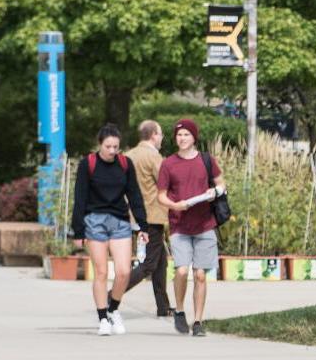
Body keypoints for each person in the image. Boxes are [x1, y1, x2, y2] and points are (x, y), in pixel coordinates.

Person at [71, 123, 149, 336]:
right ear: (100, 144)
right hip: (94, 222)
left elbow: (134, 195)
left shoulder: (125, 164)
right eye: (108, 147)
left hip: (120, 222)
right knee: (102, 272)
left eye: (116, 146)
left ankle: (114, 309)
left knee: (124, 272)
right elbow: (80, 198)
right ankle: (103, 318)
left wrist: (143, 225)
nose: (113, 151)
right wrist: (78, 231)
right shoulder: (88, 164)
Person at [156, 119, 226, 337]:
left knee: (200, 275)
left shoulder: (207, 160)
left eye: (186, 134)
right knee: (182, 270)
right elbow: (161, 195)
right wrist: (174, 205)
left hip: (205, 224)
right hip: (179, 225)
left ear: (194, 137)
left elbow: (221, 183)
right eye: (179, 135)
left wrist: (215, 192)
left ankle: (198, 321)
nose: (182, 138)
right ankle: (179, 310)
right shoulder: (168, 164)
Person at [124, 120, 174, 317]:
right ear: (153, 134)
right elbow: (165, 183)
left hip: (134, 216)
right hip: (152, 216)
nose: (161, 138)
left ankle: (163, 307)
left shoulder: (128, 156)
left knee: (161, 262)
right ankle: (112, 296)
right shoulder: (153, 156)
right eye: (160, 134)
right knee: (148, 265)